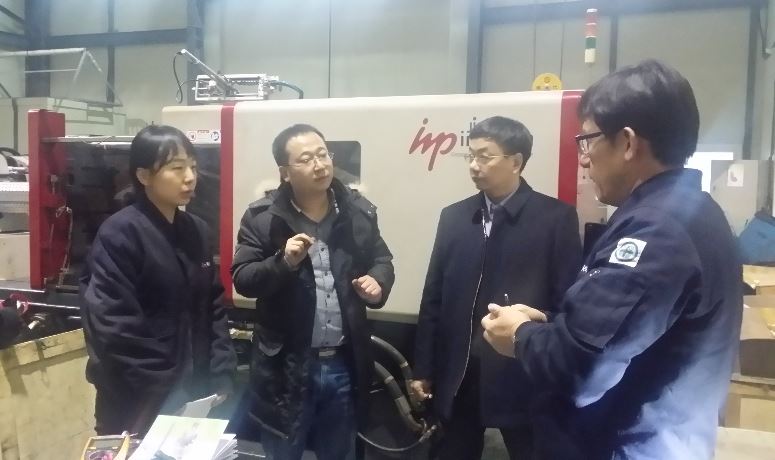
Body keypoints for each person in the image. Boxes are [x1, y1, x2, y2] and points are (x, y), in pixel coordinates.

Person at [482, 60, 743, 459]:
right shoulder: (694, 212)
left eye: (587, 140)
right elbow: (626, 333)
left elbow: (583, 371)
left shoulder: (655, 232)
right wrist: (550, 326)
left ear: (627, 143)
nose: (583, 158)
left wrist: (520, 336)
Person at [411, 116, 582, 459]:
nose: (474, 165)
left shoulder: (554, 218)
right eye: (471, 156)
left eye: (485, 156)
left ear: (516, 161)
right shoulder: (455, 217)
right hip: (460, 371)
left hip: (522, 370)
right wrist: (424, 368)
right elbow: (433, 298)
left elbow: (568, 300)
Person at [231, 123, 395, 460]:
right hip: (287, 367)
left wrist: (378, 283)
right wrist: (283, 262)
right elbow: (243, 279)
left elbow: (382, 259)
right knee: (283, 451)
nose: (320, 165)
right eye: (306, 159)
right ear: (285, 171)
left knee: (340, 452)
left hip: (343, 363)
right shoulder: (263, 218)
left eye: (323, 154)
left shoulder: (356, 211)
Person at [80, 125, 237, 435]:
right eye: (176, 168)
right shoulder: (120, 233)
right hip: (137, 398)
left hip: (194, 393)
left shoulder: (195, 230)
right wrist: (166, 389)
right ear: (143, 175)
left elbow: (212, 307)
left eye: (193, 166)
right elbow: (115, 326)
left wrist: (220, 372)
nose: (190, 177)